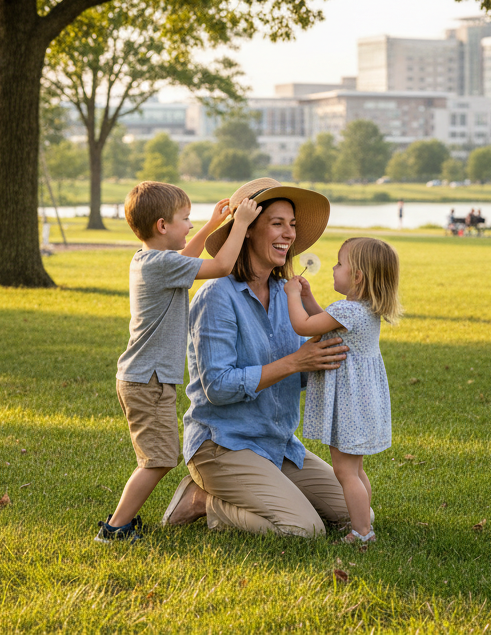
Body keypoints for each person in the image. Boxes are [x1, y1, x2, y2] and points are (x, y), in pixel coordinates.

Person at [162, 178, 355, 537]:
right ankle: (204, 501)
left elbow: (297, 374)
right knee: (304, 530)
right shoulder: (216, 296)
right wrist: (296, 361)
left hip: (276, 442)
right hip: (223, 444)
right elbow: (217, 387)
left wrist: (324, 353)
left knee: (357, 514)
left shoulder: (288, 294)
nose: (289, 234)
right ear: (247, 230)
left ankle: (266, 489)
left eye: (293, 224)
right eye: (277, 223)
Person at [95, 185, 261, 543]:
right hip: (147, 381)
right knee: (158, 460)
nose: (189, 224)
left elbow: (187, 255)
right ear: (161, 225)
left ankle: (119, 524)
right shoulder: (160, 264)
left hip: (146, 378)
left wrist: (210, 226)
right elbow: (221, 265)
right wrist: (240, 225)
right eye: (185, 219)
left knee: (160, 457)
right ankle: (115, 529)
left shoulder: (151, 260)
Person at [285, 237, 400, 544]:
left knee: (346, 472)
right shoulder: (361, 310)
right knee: (356, 470)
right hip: (361, 405)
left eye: (339, 263)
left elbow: (304, 326)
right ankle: (362, 522)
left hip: (349, 406)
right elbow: (324, 323)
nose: (334, 268)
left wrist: (292, 295)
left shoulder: (348, 311)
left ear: (357, 276)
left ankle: (362, 533)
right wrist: (309, 298)